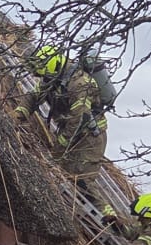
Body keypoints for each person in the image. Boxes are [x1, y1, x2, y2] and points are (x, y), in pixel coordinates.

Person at [16, 44, 108, 177]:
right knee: (63, 174)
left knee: (82, 183)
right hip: (71, 132)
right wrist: (18, 114)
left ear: (52, 68)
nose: (43, 80)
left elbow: (78, 120)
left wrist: (57, 150)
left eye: (45, 76)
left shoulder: (79, 84)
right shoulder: (52, 78)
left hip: (90, 138)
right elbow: (34, 96)